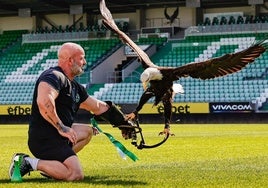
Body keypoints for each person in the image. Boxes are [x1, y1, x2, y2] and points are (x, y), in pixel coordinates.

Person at [9, 42, 135, 181]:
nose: (85, 62)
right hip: (45, 139)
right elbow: (44, 102)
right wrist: (61, 127)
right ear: (70, 60)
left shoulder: (75, 86)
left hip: (57, 136)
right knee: (75, 175)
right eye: (81, 58)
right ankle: (27, 162)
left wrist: (123, 122)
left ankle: (54, 168)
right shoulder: (53, 76)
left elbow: (97, 106)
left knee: (87, 132)